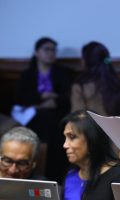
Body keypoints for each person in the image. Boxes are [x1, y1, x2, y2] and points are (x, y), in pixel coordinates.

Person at [13, 37, 72, 183]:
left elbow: (67, 97)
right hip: (33, 116)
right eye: (47, 49)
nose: (51, 53)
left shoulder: (62, 72)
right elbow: (19, 98)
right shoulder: (28, 74)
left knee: (56, 128)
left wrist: (53, 100)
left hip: (55, 116)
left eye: (53, 50)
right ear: (37, 52)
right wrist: (42, 97)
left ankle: (54, 178)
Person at [61, 110, 120, 200]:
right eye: (65, 138)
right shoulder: (71, 175)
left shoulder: (119, 177)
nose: (65, 145)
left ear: (92, 139)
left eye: (72, 137)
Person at [71, 41, 120, 123]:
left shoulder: (80, 87)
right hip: (118, 134)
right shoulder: (118, 84)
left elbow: (78, 119)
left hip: (92, 134)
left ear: (86, 61)